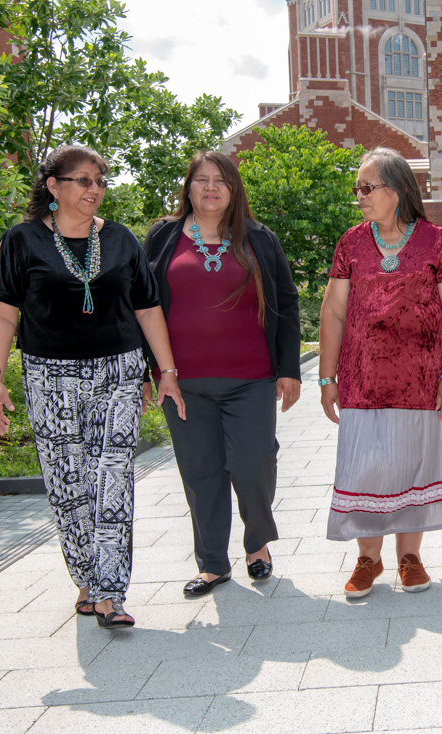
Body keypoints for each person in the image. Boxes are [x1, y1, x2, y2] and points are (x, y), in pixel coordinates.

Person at [0, 144, 186, 629]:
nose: (94, 189)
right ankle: (87, 579)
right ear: (53, 187)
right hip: (48, 374)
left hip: (116, 370)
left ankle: (111, 593)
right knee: (66, 483)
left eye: (100, 180)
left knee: (113, 477)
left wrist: (167, 372)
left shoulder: (120, 240)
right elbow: (2, 313)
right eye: (83, 180)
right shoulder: (22, 241)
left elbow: (147, 307)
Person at [143, 151, 301, 597]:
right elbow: (140, 304)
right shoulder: (162, 237)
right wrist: (147, 370)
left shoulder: (258, 238)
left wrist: (289, 369)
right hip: (183, 381)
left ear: (234, 190)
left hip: (252, 379)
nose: (211, 188)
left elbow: (286, 303)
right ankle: (212, 563)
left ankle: (257, 544)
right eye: (201, 179)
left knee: (254, 464)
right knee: (200, 472)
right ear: (188, 187)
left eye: (221, 181)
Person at [319, 147, 442, 598]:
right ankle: (368, 557)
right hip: (362, 382)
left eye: (368, 187)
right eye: (358, 188)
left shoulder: (436, 240)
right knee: (367, 469)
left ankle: (410, 556)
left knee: (413, 466)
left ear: (398, 189)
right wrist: (327, 378)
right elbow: (332, 312)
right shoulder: (350, 242)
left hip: (422, 382)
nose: (360, 196)